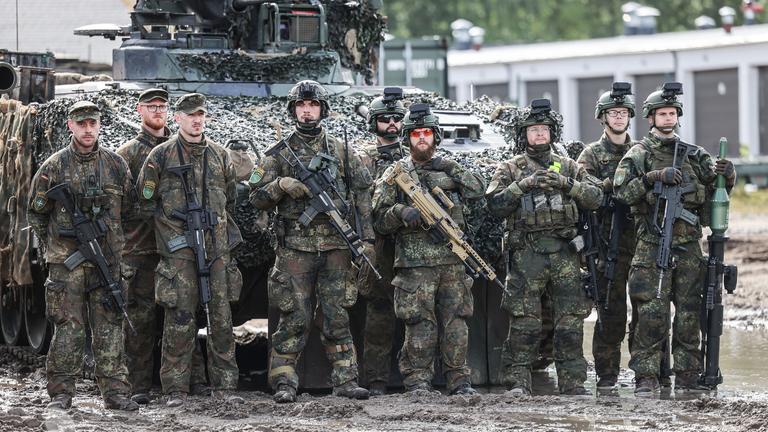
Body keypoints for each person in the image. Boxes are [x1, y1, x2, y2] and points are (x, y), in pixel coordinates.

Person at [249, 80, 374, 403]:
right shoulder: (277, 153)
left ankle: (346, 380)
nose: (307, 111)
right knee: (295, 317)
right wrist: (280, 185)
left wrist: (367, 239)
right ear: (294, 110)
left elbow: (362, 195)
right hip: (295, 249)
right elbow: (255, 197)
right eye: (302, 106)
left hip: (335, 247)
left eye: (313, 105)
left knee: (337, 314)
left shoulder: (341, 151)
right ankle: (284, 382)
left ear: (322, 109)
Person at [614, 83, 736, 394]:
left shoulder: (695, 155)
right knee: (650, 315)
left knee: (689, 314)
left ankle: (687, 374)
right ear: (651, 119)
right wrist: (652, 178)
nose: (668, 118)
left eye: (671, 113)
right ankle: (646, 376)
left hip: (688, 248)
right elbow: (622, 192)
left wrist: (728, 174)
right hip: (652, 245)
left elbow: (716, 188)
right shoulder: (638, 154)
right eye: (662, 114)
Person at [486, 99, 602, 396]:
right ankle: (517, 382)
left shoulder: (569, 166)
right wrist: (522, 186)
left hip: (565, 253)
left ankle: (573, 382)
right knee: (525, 320)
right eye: (533, 130)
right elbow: (495, 204)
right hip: (527, 252)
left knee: (570, 320)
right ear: (523, 135)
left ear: (553, 133)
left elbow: (595, 197)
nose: (539, 134)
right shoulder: (510, 168)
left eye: (544, 129)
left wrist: (567, 184)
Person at [28, 101, 138, 411]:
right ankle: (61, 394)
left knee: (109, 329)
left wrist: (112, 244)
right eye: (82, 123)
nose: (88, 129)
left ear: (99, 125)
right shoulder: (53, 167)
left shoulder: (116, 165)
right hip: (68, 266)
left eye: (92, 123)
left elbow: (128, 211)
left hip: (108, 262)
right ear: (71, 126)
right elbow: (37, 214)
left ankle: (116, 394)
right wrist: (62, 245)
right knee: (68, 329)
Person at [137, 93, 243, 407]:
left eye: (200, 115)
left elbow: (231, 199)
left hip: (216, 250)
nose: (196, 120)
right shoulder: (160, 156)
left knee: (221, 318)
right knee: (179, 320)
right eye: (189, 115)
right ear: (178, 119)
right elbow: (145, 201)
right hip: (179, 253)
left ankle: (225, 386)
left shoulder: (221, 156)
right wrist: (170, 234)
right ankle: (175, 389)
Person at [372, 103, 484, 395]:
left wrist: (450, 168)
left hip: (451, 259)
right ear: (407, 137)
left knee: (456, 322)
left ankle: (459, 380)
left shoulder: (449, 169)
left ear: (435, 136)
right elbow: (377, 219)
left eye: (426, 133)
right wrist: (400, 212)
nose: (422, 139)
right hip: (413, 264)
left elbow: (477, 190)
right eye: (416, 134)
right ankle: (417, 382)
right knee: (419, 324)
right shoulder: (395, 174)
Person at [116, 88, 208, 404]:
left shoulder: (184, 147)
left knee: (183, 314)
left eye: (163, 106)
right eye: (152, 106)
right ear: (140, 110)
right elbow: (124, 204)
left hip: (180, 247)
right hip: (141, 249)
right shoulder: (128, 153)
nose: (159, 111)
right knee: (140, 320)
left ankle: (191, 379)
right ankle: (138, 384)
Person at [576, 83, 638, 391]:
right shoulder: (591, 154)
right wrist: (611, 188)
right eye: (614, 113)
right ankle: (607, 376)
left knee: (646, 312)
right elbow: (586, 194)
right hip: (605, 244)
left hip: (639, 243)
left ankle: (649, 373)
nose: (619, 118)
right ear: (603, 117)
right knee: (610, 314)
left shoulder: (641, 150)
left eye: (624, 113)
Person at [357, 88, 407, 396]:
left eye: (395, 119)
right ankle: (375, 379)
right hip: (378, 243)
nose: (391, 124)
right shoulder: (362, 158)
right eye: (384, 119)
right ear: (374, 123)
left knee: (418, 313)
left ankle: (419, 379)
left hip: (412, 243)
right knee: (378, 312)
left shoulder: (412, 155)